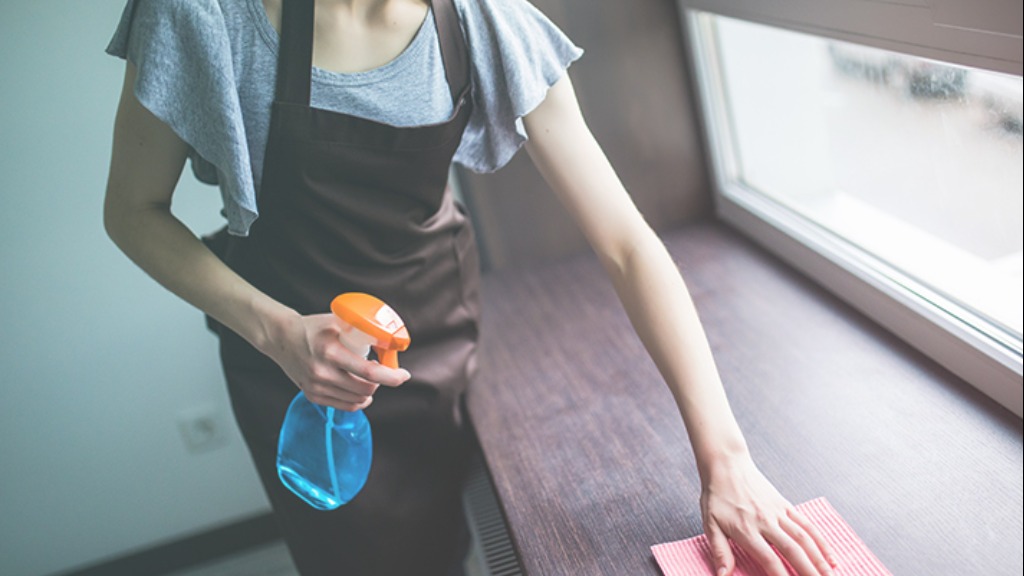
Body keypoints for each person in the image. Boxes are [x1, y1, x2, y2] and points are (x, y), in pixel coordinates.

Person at [102, 1, 837, 575]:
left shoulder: (485, 21)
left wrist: (727, 461)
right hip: (292, 379)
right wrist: (277, 333)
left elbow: (628, 243)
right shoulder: (200, 15)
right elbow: (132, 214)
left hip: (442, 335)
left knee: (455, 543)